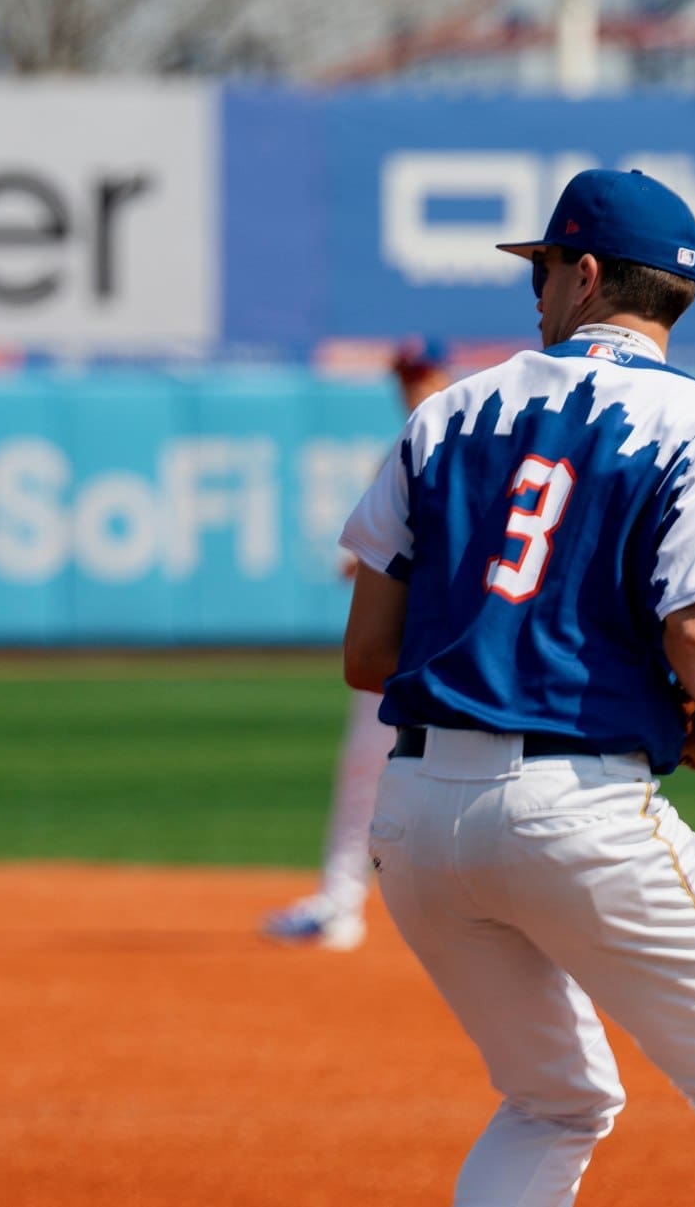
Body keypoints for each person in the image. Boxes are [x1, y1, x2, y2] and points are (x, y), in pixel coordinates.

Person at [338, 169, 695, 1207]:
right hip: (577, 809)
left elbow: (370, 653)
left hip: (416, 819)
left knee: (552, 1100)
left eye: (545, 266)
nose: (537, 287)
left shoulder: (446, 413)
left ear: (587, 275)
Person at [261, 338, 455, 951]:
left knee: (384, 776)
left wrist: (360, 566)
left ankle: (345, 904)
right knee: (383, 777)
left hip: (417, 645)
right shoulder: (438, 441)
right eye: (404, 377)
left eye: (421, 374)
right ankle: (344, 903)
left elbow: (385, 554)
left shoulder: (427, 444)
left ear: (446, 373)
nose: (411, 386)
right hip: (442, 646)